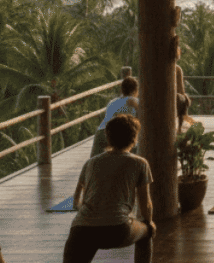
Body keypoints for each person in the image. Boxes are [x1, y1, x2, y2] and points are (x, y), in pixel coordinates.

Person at [64, 115, 154, 263]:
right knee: (148, 231)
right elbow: (146, 205)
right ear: (134, 139)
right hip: (117, 229)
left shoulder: (90, 163)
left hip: (80, 230)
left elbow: (77, 201)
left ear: (108, 137)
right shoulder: (140, 163)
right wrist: (149, 222)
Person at [91, 76, 139, 158]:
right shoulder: (136, 102)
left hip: (101, 132)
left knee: (94, 162)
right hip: (120, 135)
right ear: (136, 90)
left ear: (122, 90)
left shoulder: (112, 102)